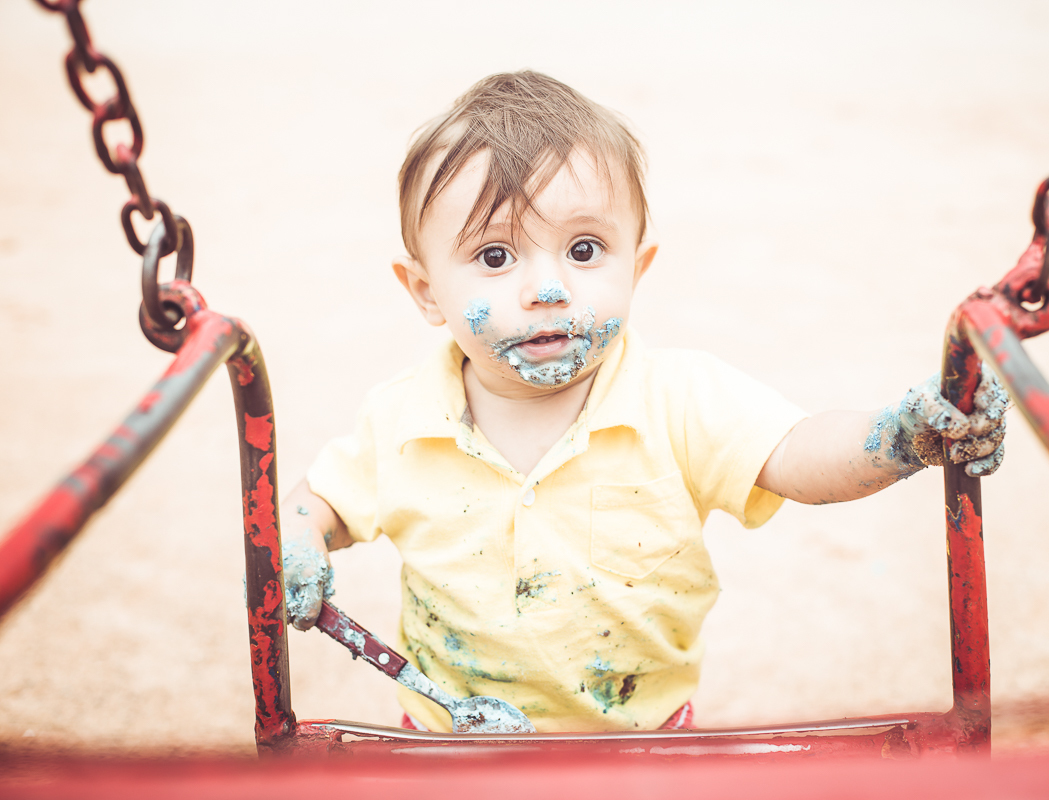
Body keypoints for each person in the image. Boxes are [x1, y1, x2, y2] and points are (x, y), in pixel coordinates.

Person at [279, 71, 1008, 734]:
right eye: (495, 257)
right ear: (427, 292)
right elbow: (324, 502)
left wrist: (901, 437)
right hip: (443, 743)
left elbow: (796, 453)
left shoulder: (679, 399)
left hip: (642, 749)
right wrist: (303, 542)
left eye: (585, 249)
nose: (548, 288)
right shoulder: (402, 420)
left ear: (638, 267)